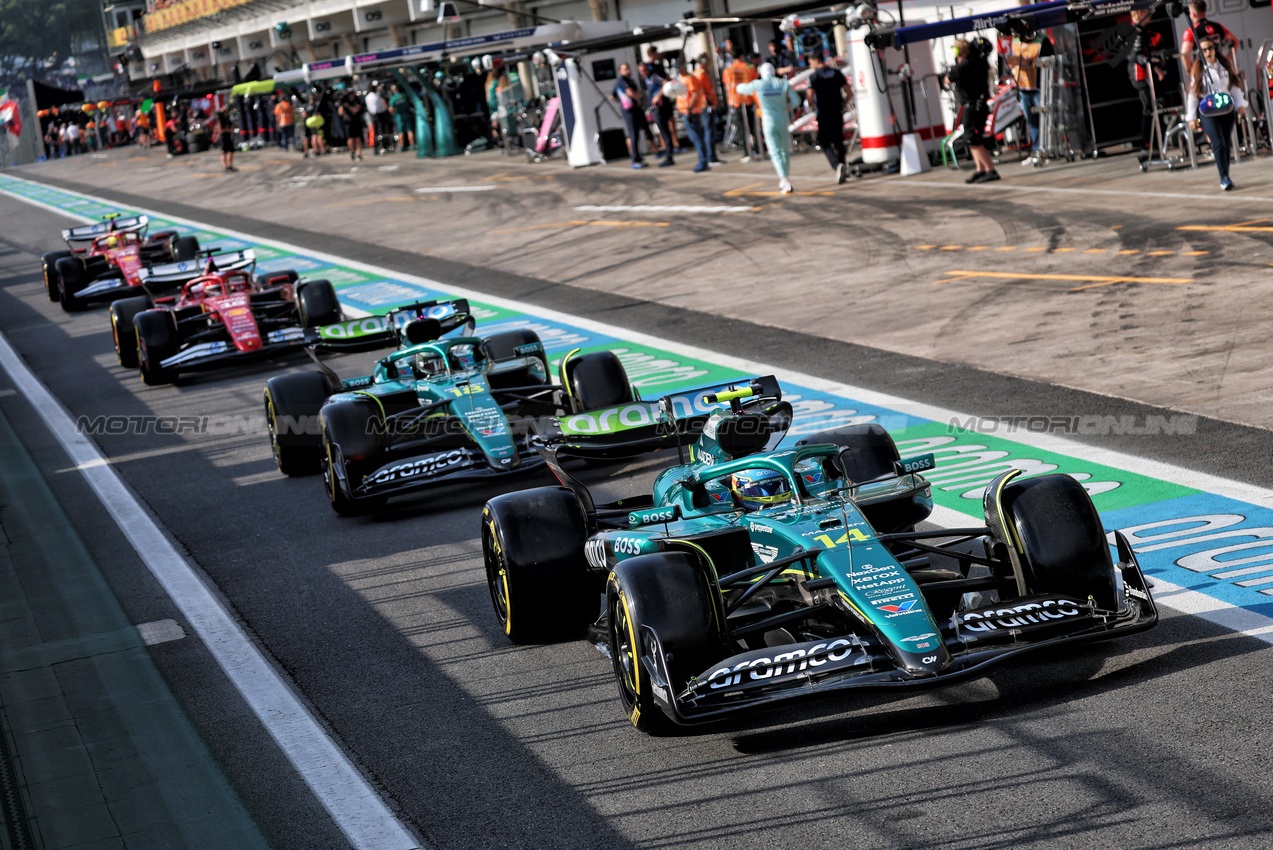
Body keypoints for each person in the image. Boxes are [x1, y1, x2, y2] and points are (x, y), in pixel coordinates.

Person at [1188, 38, 1245, 190]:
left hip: (1226, 110)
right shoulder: (1199, 71)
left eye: (1210, 48)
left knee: (1226, 144)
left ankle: (1226, 173)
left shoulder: (1224, 67)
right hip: (1208, 112)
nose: (1208, 52)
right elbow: (1193, 95)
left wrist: (1240, 105)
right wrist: (1191, 117)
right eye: (1204, 50)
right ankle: (1223, 177)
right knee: (1218, 143)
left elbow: (1234, 86)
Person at [736, 63, 801, 193]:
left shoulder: (758, 84)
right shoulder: (783, 83)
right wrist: (787, 107)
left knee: (775, 151)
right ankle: (785, 177)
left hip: (769, 121)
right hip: (783, 120)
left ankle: (784, 179)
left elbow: (740, 89)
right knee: (784, 151)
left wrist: (741, 80)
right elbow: (796, 101)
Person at [945, 38, 998, 183]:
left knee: (974, 140)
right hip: (979, 105)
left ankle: (991, 169)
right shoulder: (979, 62)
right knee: (972, 139)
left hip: (972, 107)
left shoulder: (964, 65)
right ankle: (980, 170)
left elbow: (948, 80)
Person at [1005, 26, 1054, 163]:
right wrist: (1021, 61)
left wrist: (1022, 61)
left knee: (1045, 118)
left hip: (1039, 86)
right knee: (1031, 121)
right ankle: (1036, 150)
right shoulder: (1015, 41)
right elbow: (1010, 61)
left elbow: (1038, 61)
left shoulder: (1041, 41)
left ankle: (1048, 148)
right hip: (1023, 86)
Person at [1128, 8, 1167, 163]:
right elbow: (1138, 56)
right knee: (1149, 109)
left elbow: (1146, 54)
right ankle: (1147, 147)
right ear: (1141, 13)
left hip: (1146, 74)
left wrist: (1157, 64)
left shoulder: (1141, 30)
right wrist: (1154, 66)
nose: (1151, 14)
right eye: (1148, 11)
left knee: (1156, 108)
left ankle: (1156, 146)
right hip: (1141, 75)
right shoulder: (1136, 32)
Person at [806, 53, 851, 183]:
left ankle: (837, 166)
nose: (810, 66)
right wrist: (843, 103)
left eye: (810, 63)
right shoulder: (837, 73)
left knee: (824, 141)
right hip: (837, 110)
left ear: (816, 60)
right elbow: (849, 93)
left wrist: (811, 106)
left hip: (824, 112)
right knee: (838, 140)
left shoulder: (814, 76)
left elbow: (810, 97)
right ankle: (843, 168)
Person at [1179, 0, 1238, 80]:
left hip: (1202, 70)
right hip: (1220, 67)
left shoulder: (1191, 31)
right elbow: (1235, 42)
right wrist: (1226, 61)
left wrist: (1190, 70)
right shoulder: (1217, 26)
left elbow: (1185, 53)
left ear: (1193, 14)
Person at [673, 62, 711, 172]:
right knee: (694, 137)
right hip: (687, 112)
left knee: (696, 137)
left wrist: (688, 109)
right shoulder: (682, 79)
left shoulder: (689, 78)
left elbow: (695, 94)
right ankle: (702, 160)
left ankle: (703, 161)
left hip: (691, 112)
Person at [722, 53, 759, 161]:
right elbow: (755, 82)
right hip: (749, 100)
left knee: (742, 128)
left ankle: (747, 151)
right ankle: (759, 148)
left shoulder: (728, 69)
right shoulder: (749, 67)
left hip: (736, 101)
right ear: (742, 56)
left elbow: (726, 85)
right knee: (753, 126)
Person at [613, 62, 651, 168]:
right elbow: (630, 93)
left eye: (628, 68)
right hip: (629, 112)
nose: (628, 70)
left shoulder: (630, 80)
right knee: (633, 134)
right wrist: (628, 100)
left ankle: (637, 156)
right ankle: (634, 159)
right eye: (625, 69)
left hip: (635, 110)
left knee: (637, 133)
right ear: (620, 71)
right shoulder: (621, 81)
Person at [640, 63, 676, 166]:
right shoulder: (646, 80)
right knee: (662, 131)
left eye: (645, 70)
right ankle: (667, 152)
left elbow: (665, 83)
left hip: (660, 108)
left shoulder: (654, 77)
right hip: (654, 109)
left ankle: (669, 155)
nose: (644, 72)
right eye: (642, 71)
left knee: (665, 131)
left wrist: (658, 96)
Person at [339, 87, 364, 160]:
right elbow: (340, 113)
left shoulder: (357, 100)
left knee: (358, 138)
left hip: (357, 121)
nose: (351, 95)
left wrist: (349, 107)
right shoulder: (344, 101)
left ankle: (359, 153)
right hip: (348, 122)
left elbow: (356, 110)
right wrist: (342, 106)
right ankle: (352, 151)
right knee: (350, 138)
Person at [366, 84, 390, 153]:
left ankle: (376, 147)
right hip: (379, 115)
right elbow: (382, 106)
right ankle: (383, 146)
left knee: (375, 131)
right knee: (381, 131)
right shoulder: (376, 96)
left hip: (373, 115)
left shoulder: (367, 97)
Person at [389, 83, 413, 151]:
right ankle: (412, 145)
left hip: (399, 116)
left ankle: (401, 146)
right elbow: (410, 102)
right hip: (407, 114)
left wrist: (393, 114)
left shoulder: (393, 98)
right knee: (409, 130)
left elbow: (391, 109)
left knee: (400, 131)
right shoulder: (404, 95)